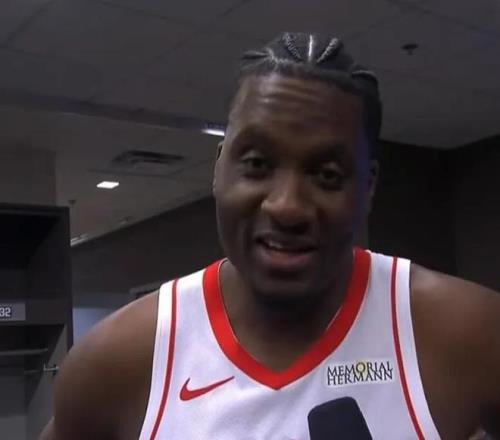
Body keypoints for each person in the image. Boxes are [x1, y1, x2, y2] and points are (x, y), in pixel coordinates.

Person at [42, 32, 500, 439]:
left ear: (368, 187)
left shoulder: (468, 334)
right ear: (219, 168)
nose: (287, 206)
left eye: (327, 174)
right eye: (257, 164)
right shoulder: (117, 362)